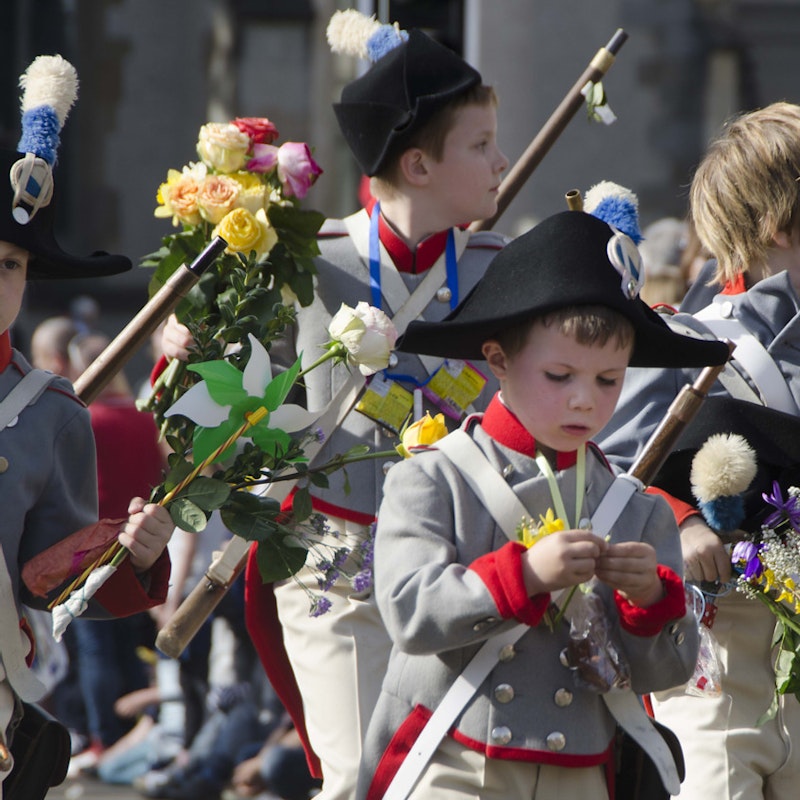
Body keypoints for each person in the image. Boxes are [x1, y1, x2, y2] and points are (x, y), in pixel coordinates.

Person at [160, 10, 510, 798]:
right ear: (418, 166)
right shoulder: (305, 261)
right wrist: (196, 344)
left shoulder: (504, 270)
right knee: (361, 775)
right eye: (482, 145)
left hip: (464, 558)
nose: (503, 163)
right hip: (337, 557)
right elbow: (241, 399)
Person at [356, 210, 729, 799]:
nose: (585, 400)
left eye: (609, 380)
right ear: (498, 359)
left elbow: (666, 673)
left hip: (581, 772)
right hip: (454, 762)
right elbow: (408, 614)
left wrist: (651, 600)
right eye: (560, 374)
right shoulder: (432, 478)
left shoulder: (639, 511)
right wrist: (523, 574)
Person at [595, 101, 800, 798]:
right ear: (779, 226)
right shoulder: (681, 342)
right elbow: (615, 478)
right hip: (714, 659)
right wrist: (678, 523)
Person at [0, 137, 173, 795]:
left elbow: (54, 579)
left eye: (11, 265)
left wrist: (133, 554)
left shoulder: (50, 414)